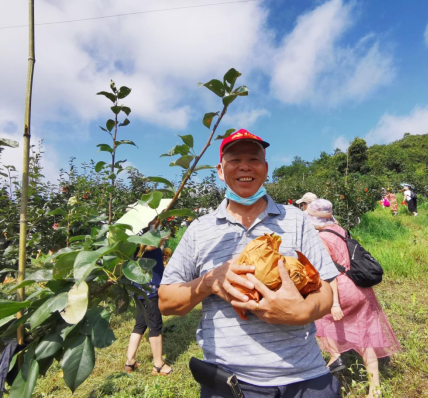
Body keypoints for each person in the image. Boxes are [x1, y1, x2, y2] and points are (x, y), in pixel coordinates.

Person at [159, 129, 341, 397]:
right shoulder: (200, 229)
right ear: (221, 170)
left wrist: (301, 312)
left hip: (305, 377)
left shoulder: (295, 219)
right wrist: (208, 282)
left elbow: (325, 290)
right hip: (231, 383)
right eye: (234, 160)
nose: (245, 166)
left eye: (254, 159)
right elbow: (165, 302)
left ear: (265, 169)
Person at [306, 199, 400, 398]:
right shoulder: (339, 229)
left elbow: (328, 273)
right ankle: (375, 388)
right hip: (360, 287)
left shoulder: (320, 238)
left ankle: (335, 356)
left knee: (320, 319)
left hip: (341, 288)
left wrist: (334, 303)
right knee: (365, 335)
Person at [125, 223, 173, 376]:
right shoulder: (145, 243)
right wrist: (161, 238)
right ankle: (158, 364)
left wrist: (161, 254)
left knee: (140, 325)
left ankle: (130, 362)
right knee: (155, 326)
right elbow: (149, 245)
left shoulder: (132, 243)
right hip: (149, 290)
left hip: (138, 289)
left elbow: (150, 251)